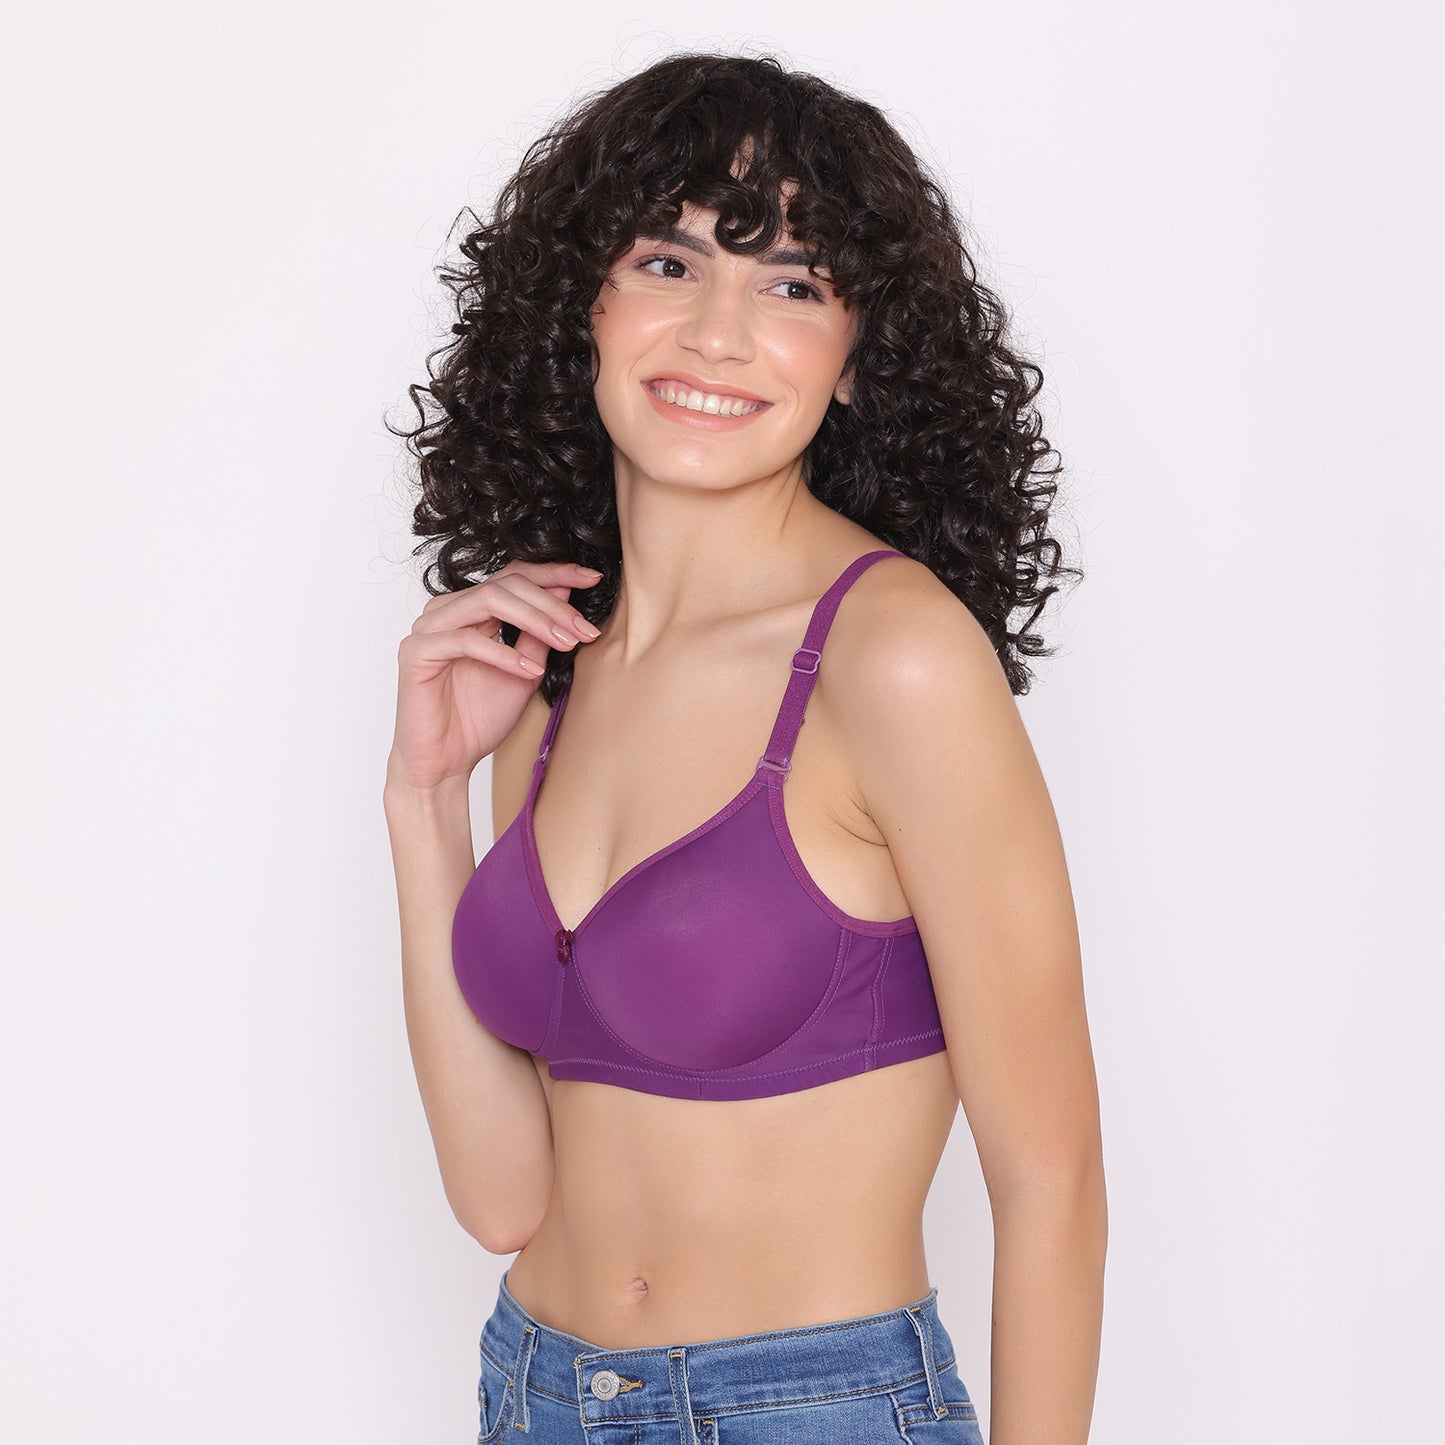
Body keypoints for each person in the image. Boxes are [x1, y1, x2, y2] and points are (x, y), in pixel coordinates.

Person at [383, 52, 1106, 1445]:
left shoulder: (892, 657)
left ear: (856, 358)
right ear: (582, 306)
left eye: (792, 286)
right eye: (669, 263)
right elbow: (502, 1197)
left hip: (809, 1408)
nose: (718, 334)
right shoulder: (554, 672)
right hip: (534, 1394)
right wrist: (425, 802)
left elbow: (1051, 1176)